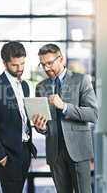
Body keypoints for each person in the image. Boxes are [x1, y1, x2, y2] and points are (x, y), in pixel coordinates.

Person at [32, 44, 98, 193]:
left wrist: (64, 106)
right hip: (55, 153)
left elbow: (93, 114)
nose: (46, 68)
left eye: (49, 63)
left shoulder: (81, 80)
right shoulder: (40, 87)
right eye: (43, 64)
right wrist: (41, 127)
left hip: (78, 151)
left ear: (61, 59)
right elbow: (44, 124)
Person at [0, 41, 37, 193]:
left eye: (22, 64)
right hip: (8, 156)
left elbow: (22, 118)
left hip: (25, 151)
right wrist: (0, 156)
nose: (20, 69)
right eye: (15, 65)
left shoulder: (24, 86)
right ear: (5, 63)